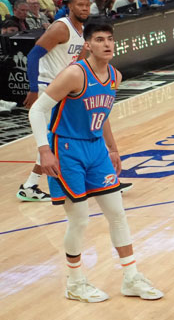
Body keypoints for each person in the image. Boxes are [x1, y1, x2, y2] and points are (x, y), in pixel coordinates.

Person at [26, 22, 162, 302]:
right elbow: (37, 111)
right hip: (66, 149)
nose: (107, 44)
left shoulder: (115, 75)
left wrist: (113, 148)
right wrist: (44, 151)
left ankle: (131, 278)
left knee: (117, 213)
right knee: (80, 220)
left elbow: (103, 112)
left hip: (96, 149)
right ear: (87, 45)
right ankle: (75, 283)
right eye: (99, 39)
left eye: (110, 39)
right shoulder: (75, 74)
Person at [18, 0, 91, 203]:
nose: (84, 8)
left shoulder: (81, 30)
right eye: (80, 5)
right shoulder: (61, 27)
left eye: (87, 5)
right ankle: (31, 185)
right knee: (52, 139)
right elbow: (33, 55)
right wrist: (32, 88)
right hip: (46, 87)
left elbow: (75, 62)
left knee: (59, 137)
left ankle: (31, 185)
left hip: (61, 88)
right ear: (70, 6)